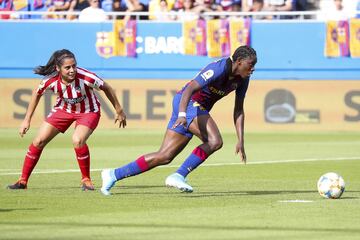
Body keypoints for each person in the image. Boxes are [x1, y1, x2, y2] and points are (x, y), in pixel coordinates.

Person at [100, 45, 257, 196]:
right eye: (250, 65)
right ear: (239, 62)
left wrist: (240, 140)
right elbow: (189, 89)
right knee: (215, 141)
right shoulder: (218, 68)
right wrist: (182, 114)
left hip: (193, 109)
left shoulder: (243, 79)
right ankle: (179, 175)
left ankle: (113, 174)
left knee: (165, 156)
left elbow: (238, 110)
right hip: (187, 103)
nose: (253, 69)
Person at [7, 49, 127, 191]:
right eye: (67, 67)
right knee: (38, 141)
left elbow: (106, 87)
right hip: (63, 110)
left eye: (74, 66)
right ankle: (23, 181)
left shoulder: (86, 77)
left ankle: (86, 180)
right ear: (58, 68)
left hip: (88, 111)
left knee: (77, 140)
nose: (72, 70)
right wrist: (26, 120)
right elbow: (36, 93)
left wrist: (119, 110)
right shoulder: (50, 80)